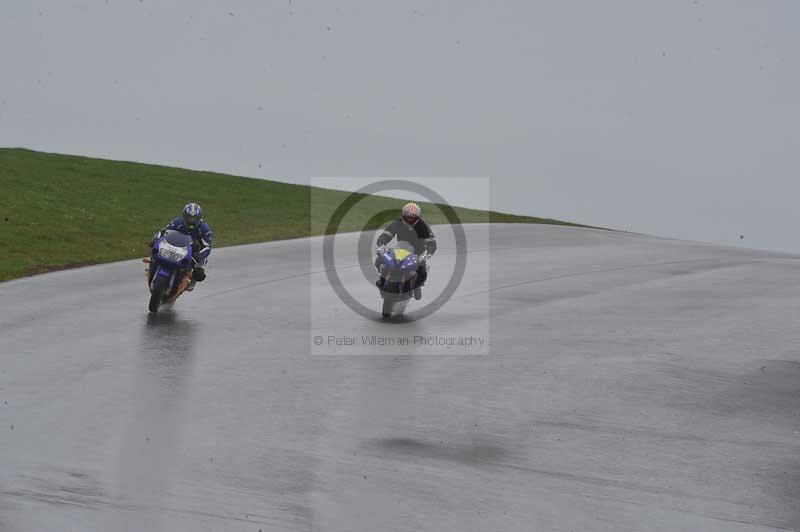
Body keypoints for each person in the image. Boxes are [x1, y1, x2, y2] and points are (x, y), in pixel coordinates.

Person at [375, 202, 436, 300]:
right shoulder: (397, 223)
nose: (409, 220)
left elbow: (432, 244)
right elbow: (385, 236)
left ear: (418, 217)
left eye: (412, 218)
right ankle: (382, 280)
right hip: (399, 251)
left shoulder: (423, 227)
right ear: (403, 216)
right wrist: (381, 246)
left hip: (417, 253)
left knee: (422, 271)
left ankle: (417, 286)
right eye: (407, 217)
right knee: (379, 260)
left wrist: (425, 255)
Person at [149, 202, 213, 291]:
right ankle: (153, 268)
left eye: (194, 218)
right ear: (184, 216)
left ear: (199, 218)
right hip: (176, 246)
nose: (191, 221)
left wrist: (199, 255)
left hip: (195, 252)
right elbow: (163, 231)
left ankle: (191, 282)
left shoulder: (205, 229)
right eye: (189, 218)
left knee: (199, 273)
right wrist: (155, 239)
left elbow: (207, 247)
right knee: (155, 253)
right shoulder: (177, 222)